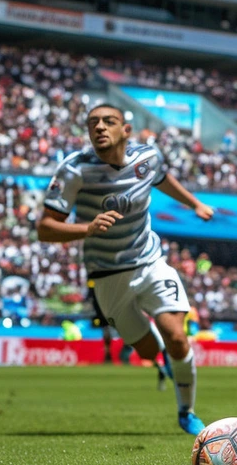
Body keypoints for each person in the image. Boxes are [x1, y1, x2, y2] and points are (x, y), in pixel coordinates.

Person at [37, 104, 214, 435]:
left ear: (126, 130)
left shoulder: (147, 157)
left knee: (177, 336)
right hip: (107, 276)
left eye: (109, 121)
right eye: (93, 123)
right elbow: (45, 228)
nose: (100, 127)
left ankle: (186, 411)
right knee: (148, 350)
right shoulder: (74, 170)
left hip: (150, 261)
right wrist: (87, 229)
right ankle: (163, 364)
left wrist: (195, 204)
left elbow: (162, 179)